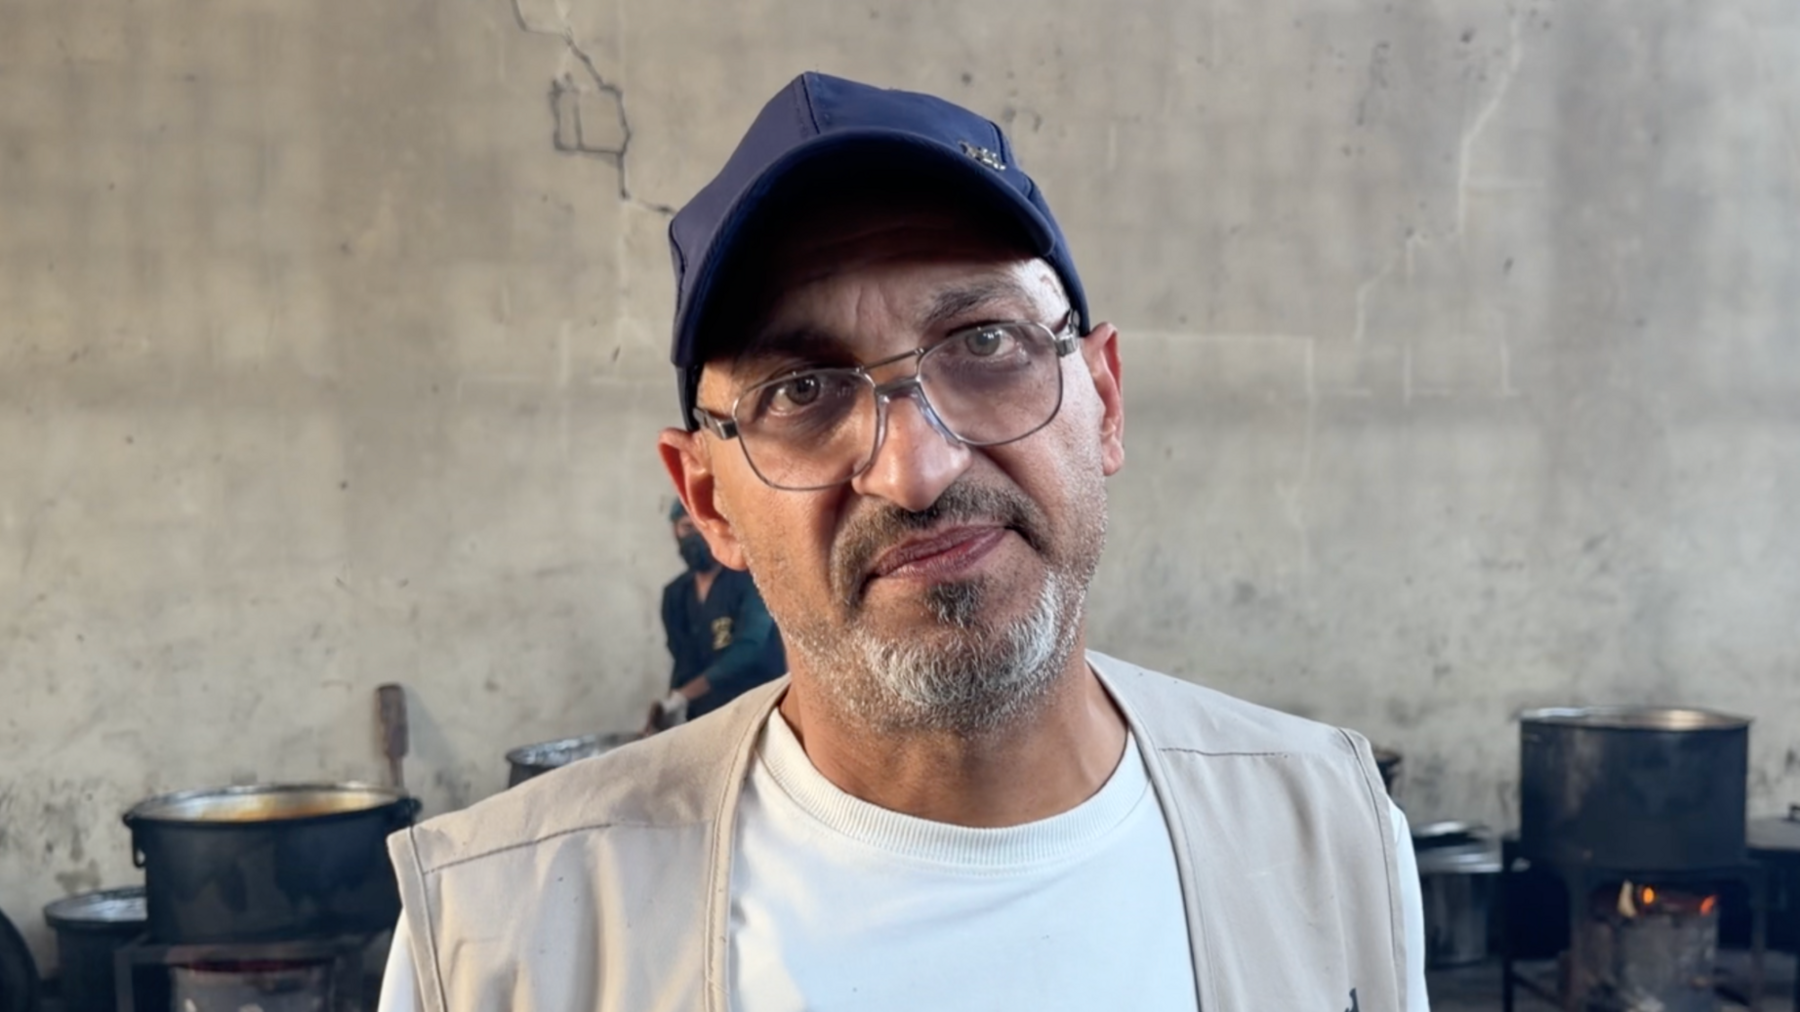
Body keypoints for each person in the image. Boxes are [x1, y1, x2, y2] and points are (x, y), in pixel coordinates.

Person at [379, 72, 1428, 1011]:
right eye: (801, 390)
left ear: (1102, 401)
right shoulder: (500, 938)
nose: (915, 468)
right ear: (708, 501)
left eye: (985, 343)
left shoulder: (1331, 837)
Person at [646, 500, 786, 732]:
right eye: (686, 528)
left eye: (702, 527)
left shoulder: (751, 581)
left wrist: (686, 693)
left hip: (758, 712)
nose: (696, 536)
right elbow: (682, 661)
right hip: (704, 720)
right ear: (674, 532)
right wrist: (669, 706)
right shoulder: (675, 595)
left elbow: (750, 647)